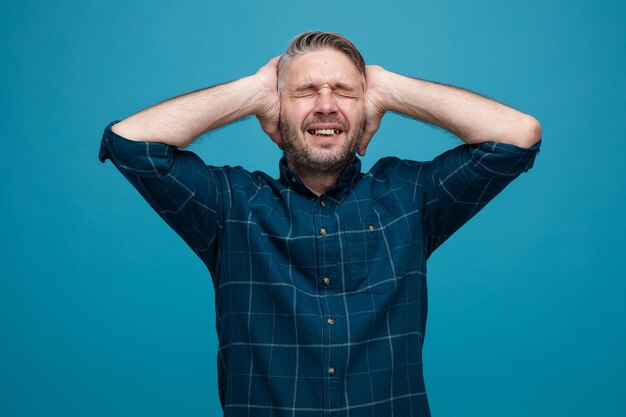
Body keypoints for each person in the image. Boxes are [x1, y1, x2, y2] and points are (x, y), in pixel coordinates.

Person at [99, 31, 541, 417]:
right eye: (305, 91)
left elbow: (517, 136)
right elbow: (130, 144)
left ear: (366, 105)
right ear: (277, 108)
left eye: (345, 92)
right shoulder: (231, 206)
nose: (326, 106)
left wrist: (389, 87)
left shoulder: (410, 196)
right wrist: (252, 90)